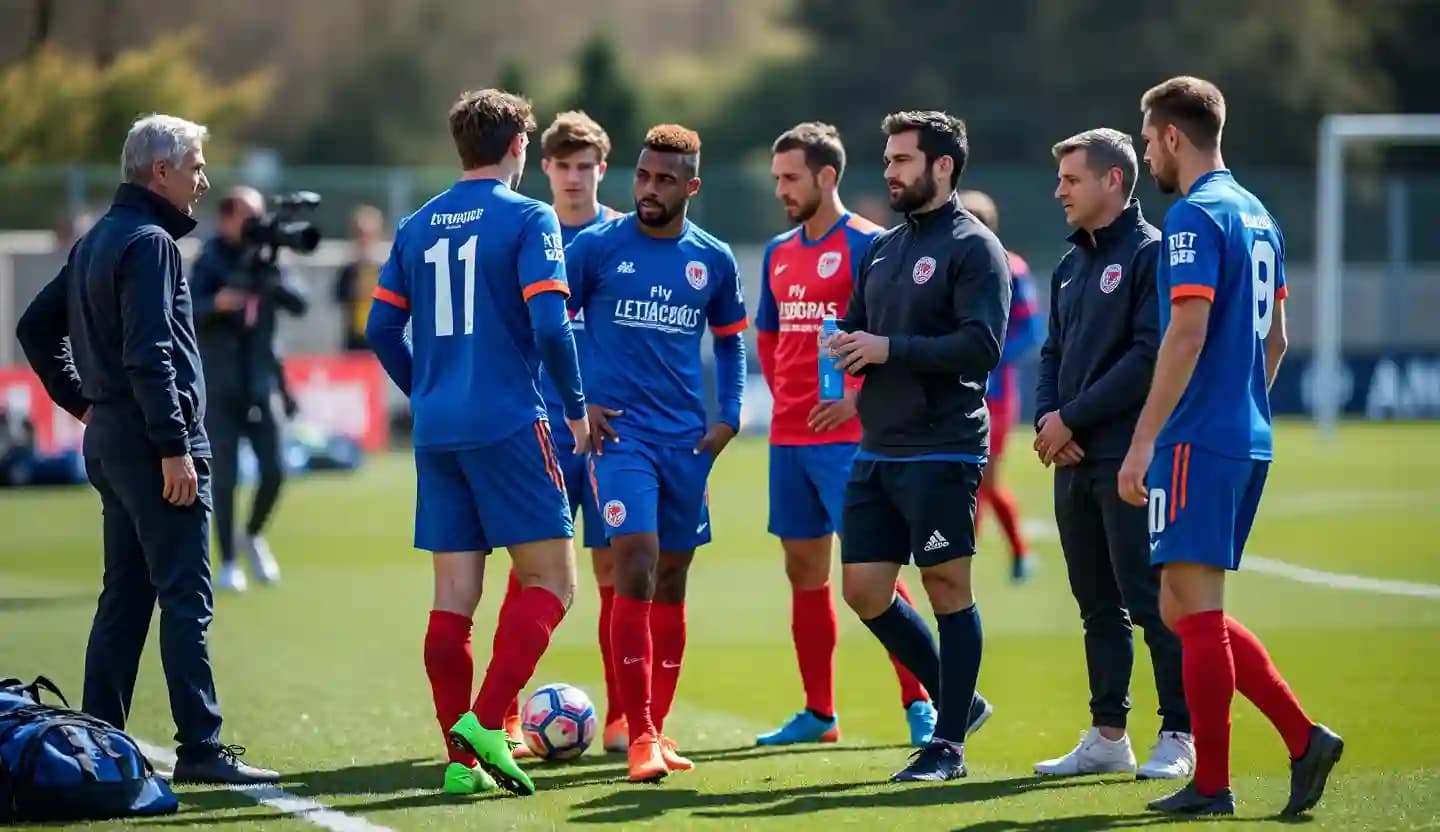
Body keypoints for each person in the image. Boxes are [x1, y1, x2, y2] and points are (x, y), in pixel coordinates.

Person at [14, 114, 278, 785]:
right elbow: (151, 354)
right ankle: (200, 747)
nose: (202, 180)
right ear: (160, 171)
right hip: (154, 444)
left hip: (109, 442)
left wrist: (84, 405)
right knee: (185, 597)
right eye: (194, 165)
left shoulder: (100, 238)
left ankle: (94, 744)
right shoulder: (153, 243)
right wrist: (172, 445)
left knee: (124, 598)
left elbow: (33, 326)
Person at [1118, 76, 1343, 816]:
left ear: (1174, 136)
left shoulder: (1193, 217)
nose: (1148, 150)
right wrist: (1243, 407)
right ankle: (1301, 739)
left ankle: (1214, 783)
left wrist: (1146, 439)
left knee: (1196, 607)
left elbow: (1185, 334)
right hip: (1244, 434)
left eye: (1149, 138)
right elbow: (1276, 339)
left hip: (1196, 439)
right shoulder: (1258, 214)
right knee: (1182, 604)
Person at [365, 88, 589, 798]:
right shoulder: (529, 217)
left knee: (453, 596)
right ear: (520, 148)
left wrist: (427, 391)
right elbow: (552, 327)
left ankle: (460, 765)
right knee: (553, 580)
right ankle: (488, 723)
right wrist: (576, 411)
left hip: (437, 432)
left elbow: (378, 330)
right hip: (509, 422)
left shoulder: (416, 223)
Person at [753, 121, 945, 749]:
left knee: (875, 571)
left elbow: (892, 335)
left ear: (826, 176)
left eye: (790, 177)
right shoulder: (779, 252)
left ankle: (921, 700)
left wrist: (855, 402)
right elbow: (770, 332)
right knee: (802, 571)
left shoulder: (872, 245)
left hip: (850, 443)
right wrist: (785, 394)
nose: (781, 188)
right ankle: (818, 712)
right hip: (788, 440)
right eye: (777, 177)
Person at [565, 124, 747, 783]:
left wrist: (729, 417)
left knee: (672, 577)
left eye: (664, 179)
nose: (648, 188)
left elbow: (730, 341)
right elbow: (554, 326)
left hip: (686, 444)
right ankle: (637, 732)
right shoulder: (596, 247)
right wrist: (576, 402)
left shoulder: (714, 259)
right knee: (634, 559)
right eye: (642, 175)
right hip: (621, 440)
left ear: (691, 187)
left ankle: (658, 730)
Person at [832, 111, 1009, 783]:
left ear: (943, 166)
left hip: (944, 445)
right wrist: (844, 339)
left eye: (902, 159)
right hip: (879, 446)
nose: (889, 171)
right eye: (887, 160)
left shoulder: (973, 246)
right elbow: (858, 321)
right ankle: (962, 700)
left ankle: (949, 746)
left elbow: (980, 346)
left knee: (946, 587)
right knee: (864, 589)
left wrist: (888, 349)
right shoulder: (882, 248)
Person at [1030, 128, 1193, 780]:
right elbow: (1051, 354)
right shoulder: (1069, 266)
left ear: (1113, 183)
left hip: (1128, 459)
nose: (1059, 191)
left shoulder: (1152, 255)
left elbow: (1149, 357)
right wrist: (1047, 417)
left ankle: (1180, 732)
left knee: (1151, 601)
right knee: (1096, 604)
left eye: (1071, 180)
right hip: (1070, 459)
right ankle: (1107, 735)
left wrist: (1071, 415)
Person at [492, 111, 627, 759]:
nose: (574, 178)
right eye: (562, 165)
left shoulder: (626, 238)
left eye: (585, 166)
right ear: (543, 167)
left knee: (612, 571)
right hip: (538, 428)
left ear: (602, 170)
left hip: (605, 434)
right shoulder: (522, 230)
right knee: (531, 573)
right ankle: (509, 720)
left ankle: (625, 717)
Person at [191, 186, 309, 592]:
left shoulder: (269, 258)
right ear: (226, 219)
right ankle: (225, 560)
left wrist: (273, 281)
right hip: (221, 382)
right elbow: (187, 310)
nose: (255, 225)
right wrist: (218, 304)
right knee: (223, 476)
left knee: (275, 468)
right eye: (247, 216)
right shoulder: (209, 259)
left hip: (262, 379)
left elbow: (300, 303)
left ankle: (252, 533)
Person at [958, 190, 1043, 582]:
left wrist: (988, 355)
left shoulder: (1013, 269)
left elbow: (1030, 331)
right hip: (955, 392)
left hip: (995, 397)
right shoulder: (951, 268)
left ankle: (982, 559)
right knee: (963, 480)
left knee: (984, 480)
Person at [334, 204, 386, 351]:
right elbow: (339, 298)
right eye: (359, 234)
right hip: (355, 340)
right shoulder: (349, 269)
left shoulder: (387, 269)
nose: (364, 239)